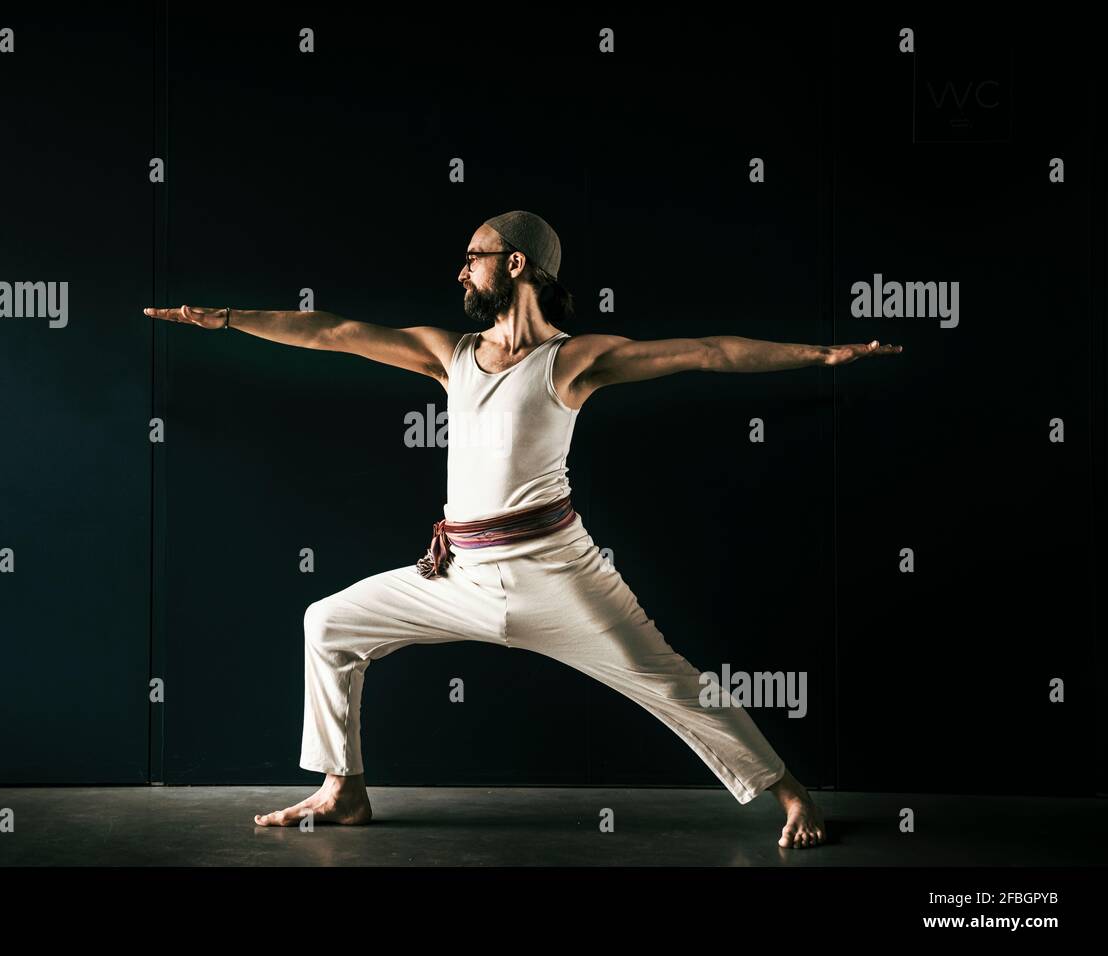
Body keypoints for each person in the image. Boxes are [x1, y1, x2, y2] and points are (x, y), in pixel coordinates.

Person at [144, 210, 902, 848]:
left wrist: (823, 354)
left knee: (674, 685)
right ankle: (343, 789)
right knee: (329, 621)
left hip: (557, 577)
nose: (460, 274)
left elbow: (707, 352)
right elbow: (333, 331)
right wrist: (229, 319)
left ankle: (790, 793)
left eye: (470, 260)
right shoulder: (452, 355)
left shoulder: (573, 362)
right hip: (458, 576)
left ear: (513, 263)